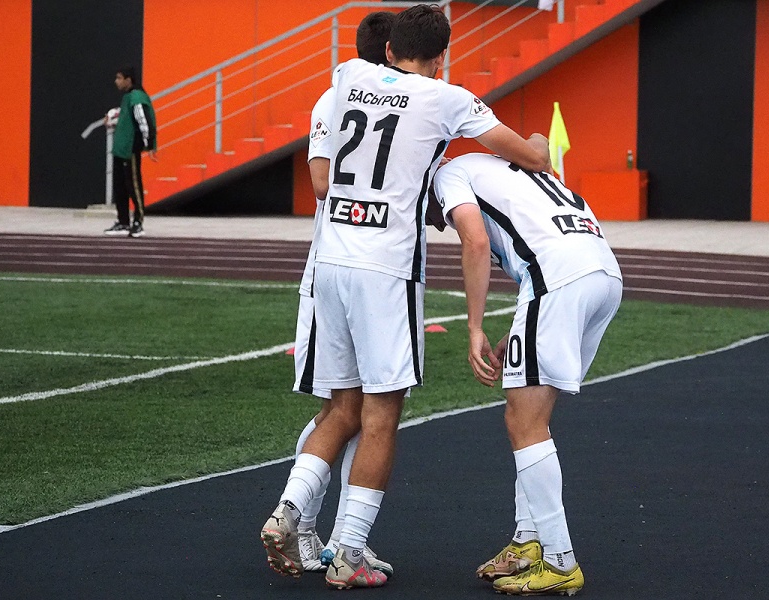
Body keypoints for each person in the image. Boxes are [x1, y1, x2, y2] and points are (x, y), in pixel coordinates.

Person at [263, 3, 550, 590]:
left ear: (389, 50)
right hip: (386, 268)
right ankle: (349, 550)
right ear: (442, 57)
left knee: (341, 407)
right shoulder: (447, 98)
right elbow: (530, 155)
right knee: (381, 414)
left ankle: (290, 511)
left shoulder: (348, 75)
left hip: (330, 261)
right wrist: (539, 141)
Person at [430, 149, 623, 596]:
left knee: (524, 421)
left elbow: (476, 242)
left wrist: (474, 326)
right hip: (603, 274)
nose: (437, 224)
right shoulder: (497, 162)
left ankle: (559, 560)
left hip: (558, 278)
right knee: (534, 417)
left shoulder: (446, 175)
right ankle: (527, 540)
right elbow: (536, 141)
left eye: (429, 216)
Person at [261, 11, 396, 579]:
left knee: (341, 408)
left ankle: (308, 525)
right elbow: (323, 184)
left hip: (330, 268)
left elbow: (320, 181)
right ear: (391, 52)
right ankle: (326, 534)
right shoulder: (399, 103)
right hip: (365, 266)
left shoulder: (331, 98)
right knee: (360, 410)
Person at [104, 66, 157, 238]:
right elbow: (126, 117)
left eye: (119, 78)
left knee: (133, 185)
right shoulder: (128, 97)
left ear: (128, 80)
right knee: (120, 186)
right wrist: (113, 118)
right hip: (121, 148)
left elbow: (145, 121)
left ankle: (138, 222)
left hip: (130, 148)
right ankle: (123, 221)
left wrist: (150, 145)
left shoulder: (137, 97)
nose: (116, 81)